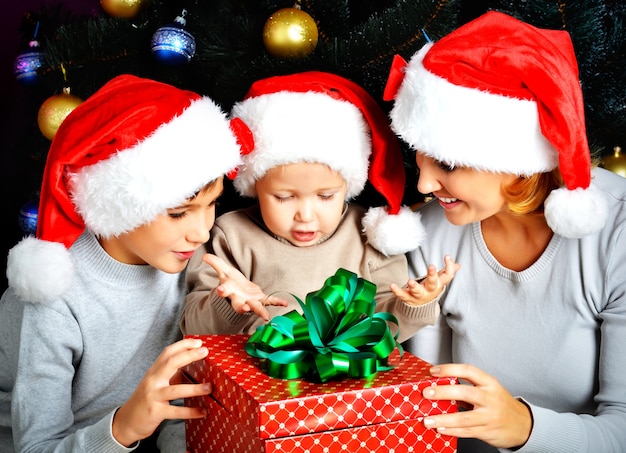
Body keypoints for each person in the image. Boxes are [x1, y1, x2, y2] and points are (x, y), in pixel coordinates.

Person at [383, 10, 626, 452]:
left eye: (449, 164)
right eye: (419, 155)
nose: (421, 184)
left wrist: (525, 427)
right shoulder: (434, 235)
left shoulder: (616, 234)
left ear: (517, 163)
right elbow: (425, 410)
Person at [0, 74, 254, 452]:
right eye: (179, 212)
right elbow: (35, 446)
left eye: (213, 203)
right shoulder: (52, 298)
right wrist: (122, 428)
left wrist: (231, 309)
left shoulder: (184, 257)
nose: (202, 231)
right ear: (120, 204)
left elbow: (183, 399)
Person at [180, 71, 459, 342]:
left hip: (346, 387)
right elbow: (191, 325)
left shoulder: (368, 237)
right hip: (260, 383)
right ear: (255, 188)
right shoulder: (230, 237)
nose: (306, 215)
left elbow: (385, 328)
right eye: (284, 197)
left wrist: (411, 305)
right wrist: (227, 304)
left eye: (325, 196)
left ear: (347, 188)